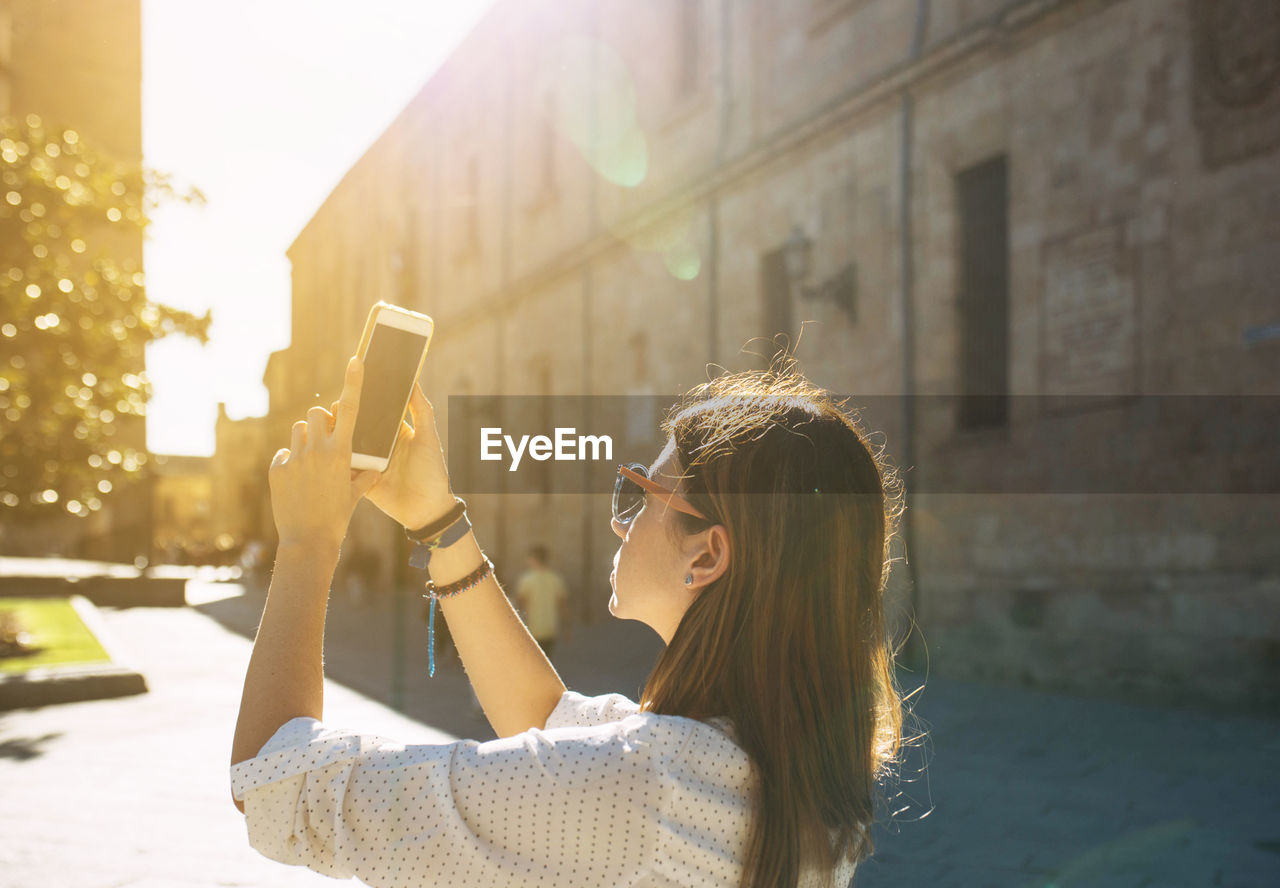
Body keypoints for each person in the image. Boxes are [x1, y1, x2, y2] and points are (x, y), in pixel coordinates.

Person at [230, 353, 909, 888]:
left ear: (706, 555)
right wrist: (437, 521)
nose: (619, 521)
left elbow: (273, 781)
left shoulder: (643, 787)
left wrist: (307, 542)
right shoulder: (790, 774)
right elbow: (546, 714)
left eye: (638, 495)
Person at [515, 544, 569, 660]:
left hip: (532, 627)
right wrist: (566, 627)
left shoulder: (527, 579)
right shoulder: (555, 579)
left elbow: (520, 604)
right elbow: (563, 605)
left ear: (534, 559)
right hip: (550, 628)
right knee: (547, 660)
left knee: (534, 661)